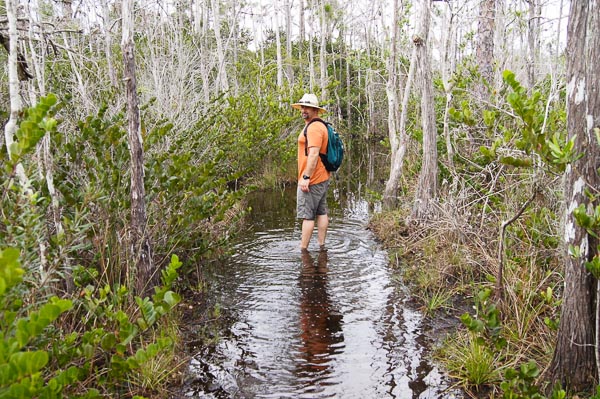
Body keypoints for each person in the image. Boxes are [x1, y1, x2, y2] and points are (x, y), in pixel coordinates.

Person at [291, 93, 331, 250]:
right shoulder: (319, 125)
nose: (303, 110)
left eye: (307, 107)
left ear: (316, 110)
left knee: (308, 216)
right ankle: (321, 246)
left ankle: (303, 250)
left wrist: (306, 177)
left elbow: (314, 154)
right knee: (321, 211)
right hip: (322, 176)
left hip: (313, 179)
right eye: (302, 107)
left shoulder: (314, 128)